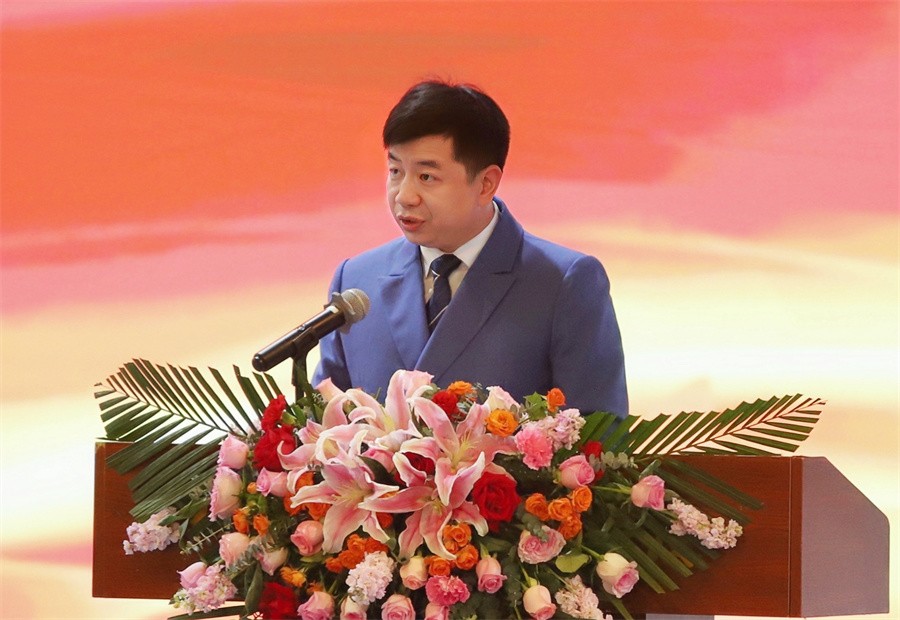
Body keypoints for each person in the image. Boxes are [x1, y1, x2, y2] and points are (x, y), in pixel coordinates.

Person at [312, 80, 628, 417]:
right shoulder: (357, 281)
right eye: (395, 171)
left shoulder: (562, 283)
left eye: (426, 177)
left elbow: (598, 432)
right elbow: (323, 420)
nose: (404, 195)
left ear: (486, 183)